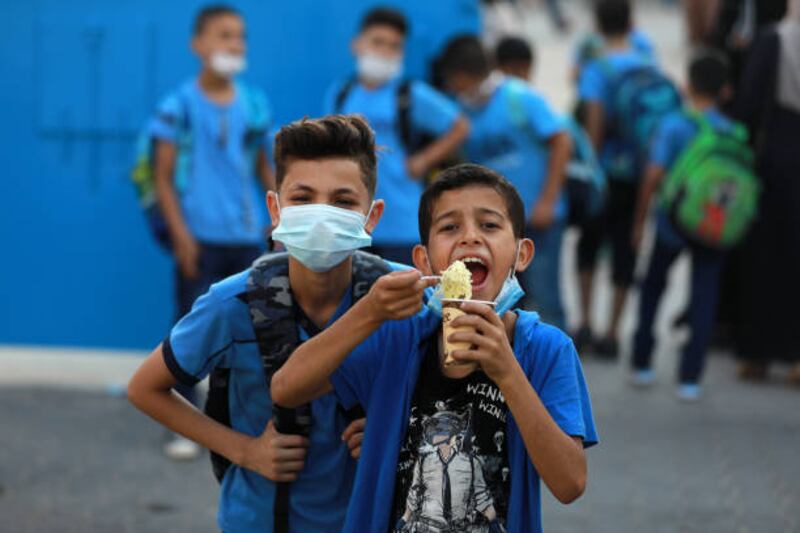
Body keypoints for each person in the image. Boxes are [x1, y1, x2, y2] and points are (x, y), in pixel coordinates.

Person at [272, 163, 598, 533]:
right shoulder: (398, 336)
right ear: (423, 261)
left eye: (489, 225)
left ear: (522, 254)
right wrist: (368, 312)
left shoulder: (546, 350)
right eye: (449, 227)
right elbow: (287, 388)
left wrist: (508, 373)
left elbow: (570, 484)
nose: (470, 237)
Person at [128, 115, 412, 532]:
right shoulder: (232, 303)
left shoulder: (405, 298)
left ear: (372, 215)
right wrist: (244, 450)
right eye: (303, 197)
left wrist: (398, 428)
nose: (320, 216)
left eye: (343, 202)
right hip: (259, 520)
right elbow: (145, 387)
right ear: (275, 209)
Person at [148, 4, 274, 458]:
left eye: (240, 37)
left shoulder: (255, 103)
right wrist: (181, 234)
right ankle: (185, 426)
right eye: (224, 36)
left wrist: (278, 222)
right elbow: (161, 175)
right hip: (198, 238)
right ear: (197, 44)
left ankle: (250, 418)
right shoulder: (176, 106)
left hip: (246, 239)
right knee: (189, 330)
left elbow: (264, 167)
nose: (234, 45)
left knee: (257, 329)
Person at [439, 35, 571, 329]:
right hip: (496, 224)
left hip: (539, 218)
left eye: (453, 80)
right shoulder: (461, 110)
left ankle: (554, 365)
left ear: (462, 75)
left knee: (546, 297)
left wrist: (548, 201)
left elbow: (561, 141)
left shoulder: (520, 98)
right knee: (502, 300)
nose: (451, 87)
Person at [325, 6, 469, 265]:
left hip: (402, 222)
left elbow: (460, 126)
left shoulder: (410, 94)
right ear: (357, 44)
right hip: (353, 224)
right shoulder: (341, 93)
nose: (385, 51)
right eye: (378, 42)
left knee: (404, 299)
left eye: (394, 46)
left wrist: (423, 162)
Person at [630, 51, 737, 401]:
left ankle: (643, 361)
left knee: (653, 288)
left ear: (687, 86)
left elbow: (653, 175)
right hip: (713, 225)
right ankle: (690, 377)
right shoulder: (731, 131)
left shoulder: (674, 125)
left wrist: (640, 220)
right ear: (726, 92)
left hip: (671, 224)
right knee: (704, 295)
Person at [574, 0, 665, 358]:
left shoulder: (597, 68)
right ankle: (613, 331)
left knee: (590, 244)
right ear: (631, 23)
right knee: (627, 246)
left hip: (605, 170)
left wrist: (591, 164)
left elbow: (593, 121)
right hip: (638, 172)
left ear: (598, 24)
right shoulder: (648, 62)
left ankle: (586, 323)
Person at [733, 0, 800, 383]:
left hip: (777, 157)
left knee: (764, 257)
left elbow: (750, 102)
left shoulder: (776, 38)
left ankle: (757, 353)